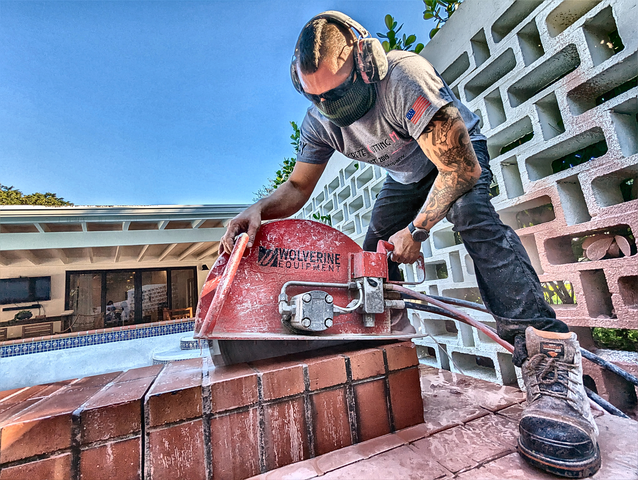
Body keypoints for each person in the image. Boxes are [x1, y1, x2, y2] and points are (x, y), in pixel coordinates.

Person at [221, 11, 600, 478]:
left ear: (366, 64)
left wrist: (418, 231)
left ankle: (547, 359)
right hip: (406, 177)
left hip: (456, 156)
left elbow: (461, 171)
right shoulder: (320, 121)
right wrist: (260, 209)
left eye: (338, 95)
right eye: (317, 98)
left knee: (471, 215)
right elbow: (298, 188)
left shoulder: (405, 77)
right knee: (370, 254)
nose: (331, 107)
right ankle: (380, 346)